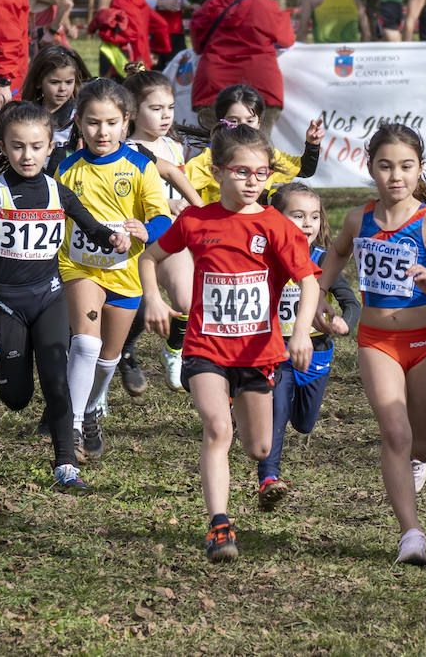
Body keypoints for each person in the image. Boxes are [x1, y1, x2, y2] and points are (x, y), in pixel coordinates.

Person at [139, 124, 321, 563]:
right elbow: (149, 257)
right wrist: (153, 299)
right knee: (217, 428)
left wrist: (300, 330)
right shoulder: (196, 221)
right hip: (205, 348)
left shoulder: (276, 225)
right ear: (219, 172)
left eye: (262, 173)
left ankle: (254, 467)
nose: (253, 181)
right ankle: (219, 525)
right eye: (242, 172)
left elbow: (309, 282)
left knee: (259, 447)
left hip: (258, 352)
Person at [316, 124, 426, 565]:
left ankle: (420, 460)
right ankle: (411, 533)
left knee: (423, 443)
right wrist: (321, 294)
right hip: (376, 341)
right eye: (385, 166)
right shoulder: (357, 218)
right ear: (370, 168)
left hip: (425, 342)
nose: (395, 176)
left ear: (419, 169)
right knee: (395, 432)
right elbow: (337, 253)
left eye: (406, 166)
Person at [0, 101, 127, 492]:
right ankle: (8, 361)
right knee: (16, 397)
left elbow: (92, 228)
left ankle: (65, 463)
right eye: (17, 147)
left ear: (50, 147)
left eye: (35, 147)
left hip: (49, 296)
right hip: (7, 302)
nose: (26, 155)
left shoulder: (57, 192)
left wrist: (111, 238)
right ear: (4, 147)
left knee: (55, 378)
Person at [56, 79, 172, 464]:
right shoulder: (67, 168)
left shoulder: (140, 167)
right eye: (92, 123)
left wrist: (145, 229)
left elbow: (163, 219)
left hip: (126, 274)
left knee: (109, 356)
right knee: (86, 344)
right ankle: (70, 426)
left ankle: (90, 407)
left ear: (126, 122)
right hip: (79, 267)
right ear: (79, 122)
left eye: (110, 123)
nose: (101, 132)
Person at [255, 182, 360, 510]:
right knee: (278, 411)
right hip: (277, 352)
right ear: (276, 217)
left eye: (314, 216)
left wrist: (344, 322)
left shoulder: (323, 260)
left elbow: (351, 303)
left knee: (304, 422)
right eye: (297, 215)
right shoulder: (264, 258)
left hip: (316, 352)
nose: (307, 223)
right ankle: (268, 478)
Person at [116, 68, 204, 395]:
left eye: (170, 107)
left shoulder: (173, 144)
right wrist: (168, 204)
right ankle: (122, 353)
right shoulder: (126, 148)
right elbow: (129, 199)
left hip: (173, 237)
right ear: (133, 112)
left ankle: (174, 348)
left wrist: (199, 212)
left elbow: (181, 181)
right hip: (138, 240)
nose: (166, 115)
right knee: (132, 308)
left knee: (186, 299)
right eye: (156, 109)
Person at [190, 0, 295, 138]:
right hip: (260, 86)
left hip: (214, 87)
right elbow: (287, 39)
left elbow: (198, 46)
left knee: (215, 153)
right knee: (257, 151)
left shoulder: (208, 6)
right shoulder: (264, 5)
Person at [184, 85, 322, 204]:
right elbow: (180, 183)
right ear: (221, 122)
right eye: (234, 121)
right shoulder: (210, 157)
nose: (243, 127)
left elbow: (304, 170)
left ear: (260, 123)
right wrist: (198, 210)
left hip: (256, 231)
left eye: (250, 121)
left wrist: (312, 145)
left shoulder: (268, 155)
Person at [94, 0, 169, 77]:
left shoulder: (120, 1)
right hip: (143, 59)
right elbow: (162, 24)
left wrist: (106, 34)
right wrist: (157, 51)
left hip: (129, 64)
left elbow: (132, 33)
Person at [20, 45, 86, 171]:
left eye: (69, 82)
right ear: (39, 82)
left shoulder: (80, 117)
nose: (63, 89)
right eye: (55, 82)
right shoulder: (24, 115)